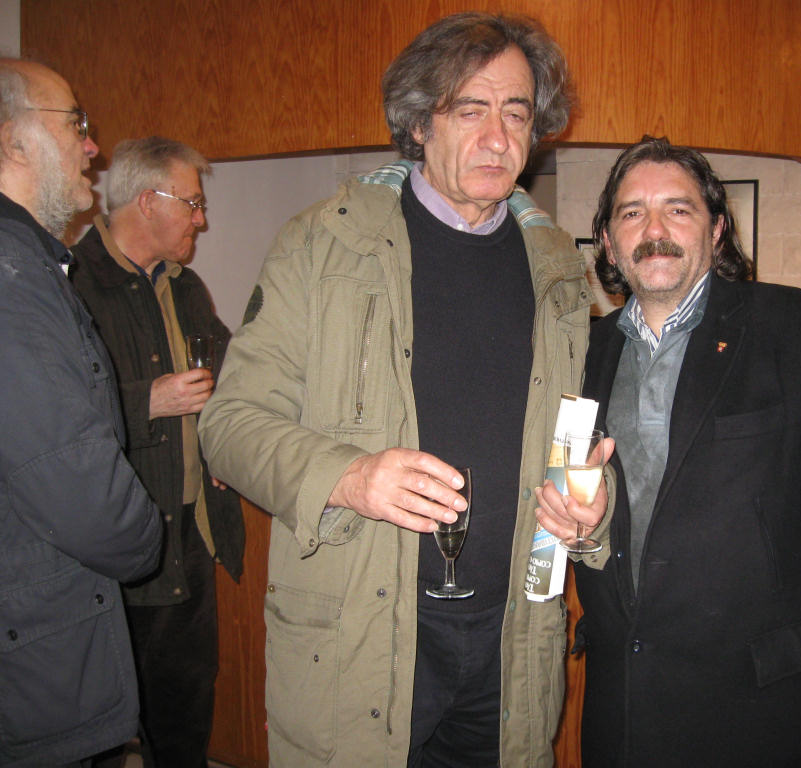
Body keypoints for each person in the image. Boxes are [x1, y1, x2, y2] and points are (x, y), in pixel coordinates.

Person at [199, 13, 607, 768]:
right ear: (420, 124)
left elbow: (570, 439)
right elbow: (228, 423)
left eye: (516, 113)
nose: (497, 137)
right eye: (470, 110)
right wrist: (349, 476)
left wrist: (585, 505)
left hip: (511, 641)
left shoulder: (557, 268)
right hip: (364, 636)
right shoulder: (323, 244)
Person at [570, 137, 801, 767]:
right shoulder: (586, 353)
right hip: (623, 698)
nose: (654, 230)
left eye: (678, 209)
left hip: (756, 701)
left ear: (717, 229)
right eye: (632, 212)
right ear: (608, 242)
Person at [0, 59, 162, 767]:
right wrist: (147, 537)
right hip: (33, 664)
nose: (92, 147)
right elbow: (77, 488)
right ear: (12, 139)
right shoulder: (11, 276)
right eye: (75, 124)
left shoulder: (31, 264)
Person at [69, 136, 245, 768]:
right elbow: (46, 417)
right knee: (106, 724)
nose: (201, 219)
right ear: (148, 201)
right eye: (192, 203)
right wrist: (148, 399)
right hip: (113, 543)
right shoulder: (70, 285)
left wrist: (224, 444)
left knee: (186, 709)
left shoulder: (185, 287)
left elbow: (232, 376)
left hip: (191, 532)